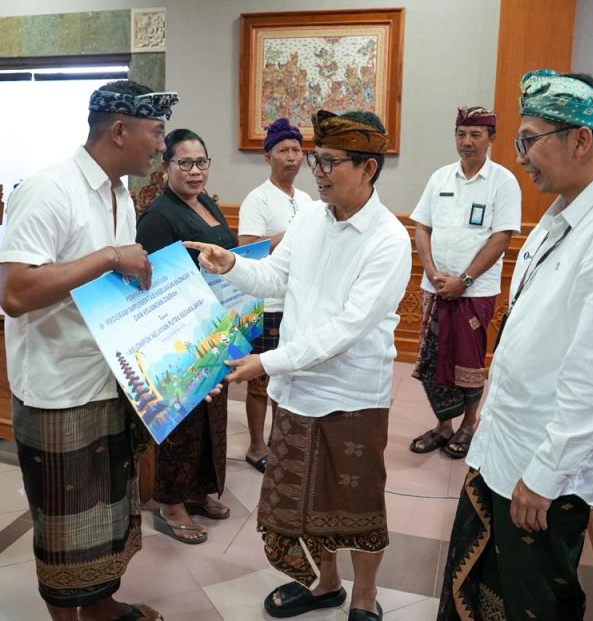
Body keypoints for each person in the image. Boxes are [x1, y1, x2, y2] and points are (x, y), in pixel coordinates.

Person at [438, 70, 593, 620]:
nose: (521, 157)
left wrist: (545, 476)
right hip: (510, 439)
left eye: (530, 140)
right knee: (488, 582)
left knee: (534, 598)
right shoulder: (560, 215)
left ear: (580, 139)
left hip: (543, 467)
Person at [187, 109, 412, 621]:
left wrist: (265, 361)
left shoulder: (388, 239)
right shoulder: (310, 217)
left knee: (357, 506)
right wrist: (234, 265)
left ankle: (365, 596)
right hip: (296, 389)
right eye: (317, 158)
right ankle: (326, 585)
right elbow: (274, 279)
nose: (318, 171)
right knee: (305, 504)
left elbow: (344, 332)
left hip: (350, 394)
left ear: (368, 168)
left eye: (331, 162)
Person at [0, 81, 177, 621]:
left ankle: (101, 606)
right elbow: (15, 292)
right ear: (119, 130)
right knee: (64, 521)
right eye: (156, 133)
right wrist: (106, 258)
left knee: (106, 511)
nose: (161, 147)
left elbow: (114, 280)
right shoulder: (48, 189)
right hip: (59, 388)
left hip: (108, 377)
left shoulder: (121, 192)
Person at [135, 128, 234, 545]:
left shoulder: (206, 201)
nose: (196, 171)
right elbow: (154, 284)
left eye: (202, 162)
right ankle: (169, 504)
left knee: (211, 417)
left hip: (215, 325)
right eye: (185, 163)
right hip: (180, 333)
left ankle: (197, 492)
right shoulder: (160, 216)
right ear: (166, 167)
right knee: (182, 420)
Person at [408, 106, 520, 460]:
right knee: (433, 359)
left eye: (475, 135)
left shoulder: (503, 181)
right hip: (436, 289)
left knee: (467, 362)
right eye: (461, 134)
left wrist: (465, 279)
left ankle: (469, 424)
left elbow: (501, 237)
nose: (466, 142)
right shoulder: (440, 177)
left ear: (490, 138)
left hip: (475, 293)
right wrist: (429, 269)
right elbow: (422, 226)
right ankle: (443, 426)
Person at [235, 117, 313, 473]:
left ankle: (282, 440)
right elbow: (248, 250)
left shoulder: (309, 199)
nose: (292, 157)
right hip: (266, 303)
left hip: (298, 302)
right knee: (260, 380)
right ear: (269, 157)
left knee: (289, 375)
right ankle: (255, 446)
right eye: (284, 150)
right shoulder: (258, 199)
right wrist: (293, 234)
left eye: (297, 150)